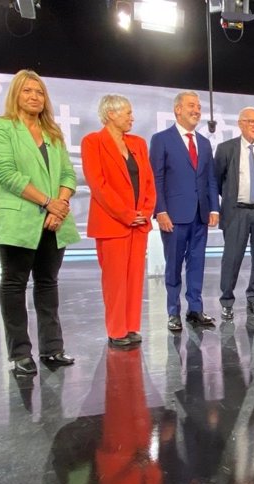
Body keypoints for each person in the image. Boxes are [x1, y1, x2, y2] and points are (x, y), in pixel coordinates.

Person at [0, 69, 79, 376]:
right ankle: (20, 353)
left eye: (39, 92)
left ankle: (52, 348)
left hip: (54, 221)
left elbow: (68, 175)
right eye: (27, 91)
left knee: (48, 284)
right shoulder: (1, 128)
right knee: (14, 285)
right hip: (18, 221)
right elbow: (5, 173)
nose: (34, 97)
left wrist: (60, 205)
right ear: (15, 94)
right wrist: (47, 201)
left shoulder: (53, 133)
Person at [81, 94, 156, 347]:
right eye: (127, 113)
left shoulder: (138, 143)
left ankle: (131, 326)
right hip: (113, 224)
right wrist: (126, 214)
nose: (131, 118)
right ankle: (116, 330)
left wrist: (144, 212)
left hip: (138, 223)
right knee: (115, 280)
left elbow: (148, 182)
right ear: (111, 114)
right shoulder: (93, 142)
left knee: (134, 278)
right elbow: (98, 184)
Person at [150, 91, 220, 331]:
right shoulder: (161, 139)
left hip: (200, 214)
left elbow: (210, 178)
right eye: (192, 105)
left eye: (199, 106)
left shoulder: (204, 142)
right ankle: (173, 312)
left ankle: (195, 309)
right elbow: (156, 179)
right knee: (173, 265)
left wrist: (214, 208)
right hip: (174, 216)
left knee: (197, 263)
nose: (197, 110)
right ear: (177, 110)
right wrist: (160, 211)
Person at [215, 107, 254, 320]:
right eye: (251, 121)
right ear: (240, 124)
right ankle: (227, 301)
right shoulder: (226, 149)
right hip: (237, 213)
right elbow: (217, 181)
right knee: (232, 258)